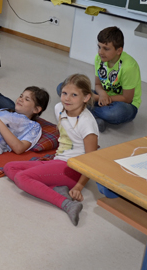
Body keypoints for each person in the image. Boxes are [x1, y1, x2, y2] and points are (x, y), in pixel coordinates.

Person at [5, 74, 99, 226]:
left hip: (74, 169)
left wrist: (79, 186)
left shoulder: (87, 123)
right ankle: (57, 187)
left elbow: (92, 160)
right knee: (10, 167)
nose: (67, 99)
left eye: (74, 95)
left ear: (86, 97)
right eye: (64, 93)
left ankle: (67, 204)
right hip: (58, 161)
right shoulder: (59, 108)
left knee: (22, 177)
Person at [55, 26, 141, 132]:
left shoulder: (129, 67)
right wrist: (101, 95)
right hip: (102, 97)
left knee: (113, 113)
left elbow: (127, 98)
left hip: (124, 104)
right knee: (62, 87)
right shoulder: (99, 59)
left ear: (119, 50)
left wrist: (100, 98)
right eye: (99, 47)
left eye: (106, 49)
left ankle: (82, 110)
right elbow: (98, 85)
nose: (100, 52)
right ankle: (93, 116)